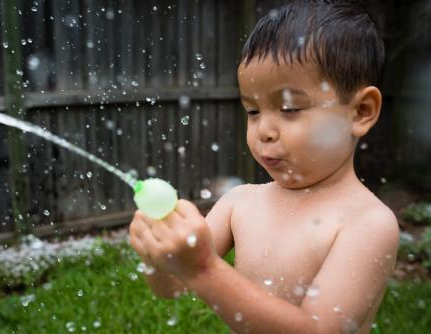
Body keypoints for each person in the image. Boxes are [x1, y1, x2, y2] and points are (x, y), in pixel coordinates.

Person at [129, 1, 400, 333]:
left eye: (289, 108)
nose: (264, 130)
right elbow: (172, 286)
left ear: (360, 112)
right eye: (253, 111)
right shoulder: (239, 203)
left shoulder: (368, 224)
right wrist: (157, 254)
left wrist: (204, 270)